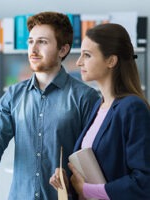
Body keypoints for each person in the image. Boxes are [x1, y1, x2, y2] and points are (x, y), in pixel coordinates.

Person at [0, 11, 100, 200]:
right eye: (30, 42)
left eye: (43, 42)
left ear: (63, 50)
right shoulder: (13, 96)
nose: (33, 49)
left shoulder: (85, 97)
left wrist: (71, 178)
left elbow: (93, 160)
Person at [49, 23, 150, 200]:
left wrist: (86, 190)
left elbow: (144, 182)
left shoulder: (132, 108)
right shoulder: (98, 105)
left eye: (87, 55)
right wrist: (69, 183)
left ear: (111, 60)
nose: (79, 62)